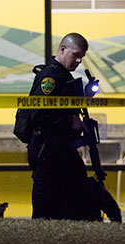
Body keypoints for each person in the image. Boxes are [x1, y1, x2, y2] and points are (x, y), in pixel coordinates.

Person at [28, 33, 105, 220]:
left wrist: (84, 98)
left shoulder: (63, 77)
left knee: (81, 204)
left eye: (82, 57)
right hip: (48, 154)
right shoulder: (50, 77)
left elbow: (63, 108)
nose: (78, 60)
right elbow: (37, 114)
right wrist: (69, 121)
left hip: (63, 151)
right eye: (76, 55)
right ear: (62, 49)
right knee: (46, 210)